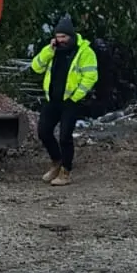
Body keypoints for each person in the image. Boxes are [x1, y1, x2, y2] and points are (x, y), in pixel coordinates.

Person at [31, 15, 98, 186]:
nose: (60, 40)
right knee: (44, 132)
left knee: (65, 137)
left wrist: (76, 96)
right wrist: (48, 50)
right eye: (58, 37)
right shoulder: (52, 50)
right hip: (52, 99)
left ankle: (66, 172)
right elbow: (36, 67)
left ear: (71, 36)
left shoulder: (84, 52)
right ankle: (56, 162)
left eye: (64, 37)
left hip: (71, 101)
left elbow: (90, 76)